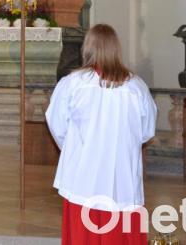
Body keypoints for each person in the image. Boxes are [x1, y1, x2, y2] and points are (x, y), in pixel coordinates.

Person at [45, 24, 157, 244]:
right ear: (117, 49)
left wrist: (77, 147)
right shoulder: (136, 87)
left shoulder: (72, 84)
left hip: (83, 172)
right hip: (122, 173)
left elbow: (57, 124)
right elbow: (146, 131)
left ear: (87, 48)